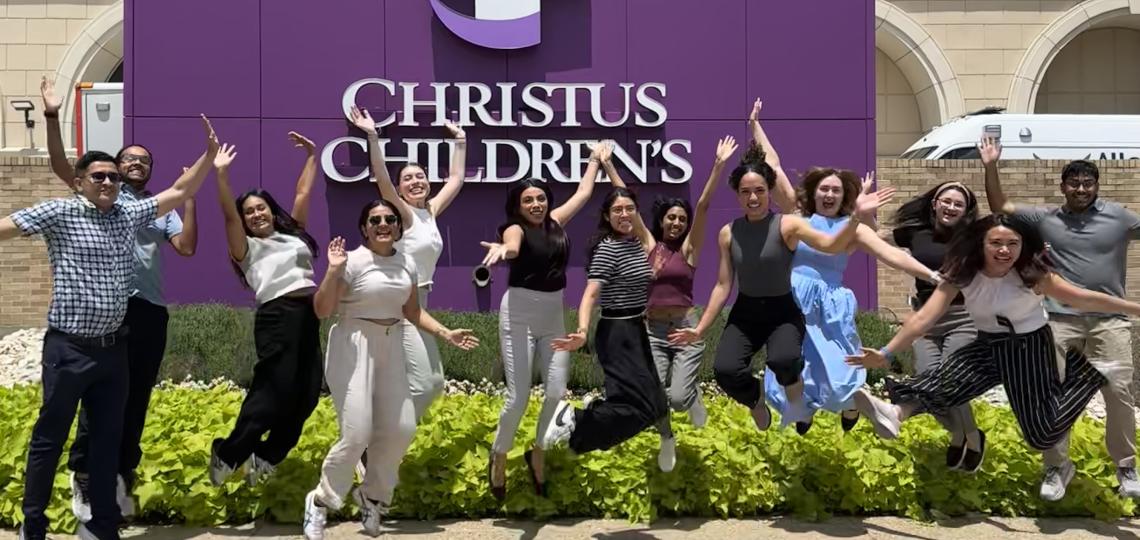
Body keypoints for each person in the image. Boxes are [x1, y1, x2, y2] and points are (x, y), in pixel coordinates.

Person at [0, 116, 219, 540]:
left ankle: (102, 526)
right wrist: (50, 114)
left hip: (112, 351)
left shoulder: (128, 213)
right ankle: (34, 525)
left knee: (106, 441)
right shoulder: (58, 211)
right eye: (99, 175)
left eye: (113, 177)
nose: (108, 182)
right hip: (68, 350)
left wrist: (208, 156)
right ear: (80, 181)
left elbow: (181, 191)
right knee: (50, 438)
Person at [847, 214, 1140, 499]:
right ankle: (896, 412)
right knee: (948, 380)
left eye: (1013, 244)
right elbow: (922, 318)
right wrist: (886, 352)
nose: (1005, 251)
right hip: (987, 343)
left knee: (1041, 435)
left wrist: (1133, 308)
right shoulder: (963, 274)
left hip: (1029, 348)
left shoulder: (1032, 274)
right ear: (981, 244)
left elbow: (1083, 297)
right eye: (996, 243)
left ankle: (1090, 375)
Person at [40, 76, 200, 521]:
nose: (133, 165)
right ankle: (85, 475)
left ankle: (119, 473)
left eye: (142, 161)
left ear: (149, 171)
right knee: (95, 397)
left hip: (147, 312)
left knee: (135, 396)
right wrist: (52, 116)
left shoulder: (152, 207)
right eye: (126, 159)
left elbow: (186, 247)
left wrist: (187, 198)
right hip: (105, 313)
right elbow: (59, 164)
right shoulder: (96, 196)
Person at [668, 143, 893, 431]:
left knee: (786, 360)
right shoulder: (728, 233)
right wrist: (700, 329)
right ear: (737, 195)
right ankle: (756, 400)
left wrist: (856, 217)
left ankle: (810, 405)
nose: (753, 197)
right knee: (725, 371)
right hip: (747, 311)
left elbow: (830, 244)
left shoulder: (787, 224)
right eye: (746, 191)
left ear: (768, 193)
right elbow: (723, 286)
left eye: (760, 191)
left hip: (784, 308)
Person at [302, 201, 478, 540]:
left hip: (392, 342)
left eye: (389, 219)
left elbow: (412, 311)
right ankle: (320, 501)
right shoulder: (351, 261)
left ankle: (373, 497)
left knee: (401, 428)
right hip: (353, 344)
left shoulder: (407, 262)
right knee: (356, 434)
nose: (383, 224)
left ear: (398, 227)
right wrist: (332, 270)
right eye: (375, 220)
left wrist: (446, 333)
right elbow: (322, 310)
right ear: (365, 227)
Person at [980, 136, 1140, 499]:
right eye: (1074, 183)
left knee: (1118, 391)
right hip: (1056, 319)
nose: (1081, 189)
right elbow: (1000, 205)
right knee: (1051, 392)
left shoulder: (1119, 217)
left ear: (1096, 186)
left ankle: (1126, 467)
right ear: (1063, 187)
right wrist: (990, 165)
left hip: (1109, 320)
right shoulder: (1045, 219)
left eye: (1088, 183)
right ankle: (1056, 467)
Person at [763, 167, 941, 436]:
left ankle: (852, 404)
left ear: (845, 196)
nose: (830, 194)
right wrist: (754, 128)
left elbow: (892, 255)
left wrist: (931, 274)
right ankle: (804, 407)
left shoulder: (852, 227)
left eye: (836, 190)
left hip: (830, 305)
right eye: (824, 188)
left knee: (840, 365)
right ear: (813, 192)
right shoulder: (798, 218)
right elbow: (775, 170)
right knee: (790, 363)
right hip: (794, 300)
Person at [478, 142, 611, 499]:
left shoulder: (557, 221)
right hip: (519, 313)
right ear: (517, 206)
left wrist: (595, 159)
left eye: (540, 198)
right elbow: (513, 247)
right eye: (528, 200)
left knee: (555, 391)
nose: (536, 204)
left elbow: (584, 191)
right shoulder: (514, 228)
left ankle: (537, 451)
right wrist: (502, 251)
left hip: (553, 313)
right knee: (518, 396)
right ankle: (499, 455)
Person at [207, 132, 323, 487]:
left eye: (261, 208)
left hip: (309, 316)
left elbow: (302, 194)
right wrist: (221, 175)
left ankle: (265, 456)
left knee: (307, 395)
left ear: (272, 210)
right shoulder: (246, 248)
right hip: (277, 318)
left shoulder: (294, 235)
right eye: (249, 212)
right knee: (273, 392)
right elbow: (228, 216)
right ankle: (227, 454)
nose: (256, 214)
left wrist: (312, 156)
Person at [348, 107, 468, 421]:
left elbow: (456, 178)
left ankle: (380, 442)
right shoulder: (404, 215)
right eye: (408, 179)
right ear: (400, 191)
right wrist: (372, 136)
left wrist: (460, 140)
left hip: (420, 301)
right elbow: (382, 179)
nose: (415, 181)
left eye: (420, 176)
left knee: (425, 383)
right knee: (429, 384)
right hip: (400, 304)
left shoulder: (430, 211)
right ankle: (378, 442)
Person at [540, 188, 669, 457]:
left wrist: (610, 166)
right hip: (617, 332)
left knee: (655, 405)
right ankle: (575, 420)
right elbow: (590, 293)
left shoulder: (637, 242)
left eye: (629, 209)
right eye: (617, 210)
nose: (624, 214)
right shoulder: (608, 249)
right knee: (641, 408)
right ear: (607, 216)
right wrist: (582, 330)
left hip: (636, 329)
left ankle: (585, 423)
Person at [642, 136, 738, 472]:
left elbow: (704, 206)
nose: (677, 223)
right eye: (671, 217)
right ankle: (666, 438)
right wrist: (607, 164)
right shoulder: (649, 247)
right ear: (661, 220)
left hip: (685, 329)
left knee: (679, 399)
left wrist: (718, 164)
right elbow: (625, 203)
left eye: (681, 219)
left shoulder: (689, 251)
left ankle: (693, 398)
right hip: (652, 330)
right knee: (653, 393)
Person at [888, 181, 981, 470]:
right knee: (929, 378)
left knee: (951, 378)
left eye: (958, 204)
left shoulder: (975, 237)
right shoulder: (914, 232)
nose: (951, 207)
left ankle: (969, 440)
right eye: (946, 201)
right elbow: (877, 241)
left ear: (966, 211)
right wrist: (863, 216)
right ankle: (963, 432)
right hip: (925, 319)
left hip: (963, 317)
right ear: (935, 203)